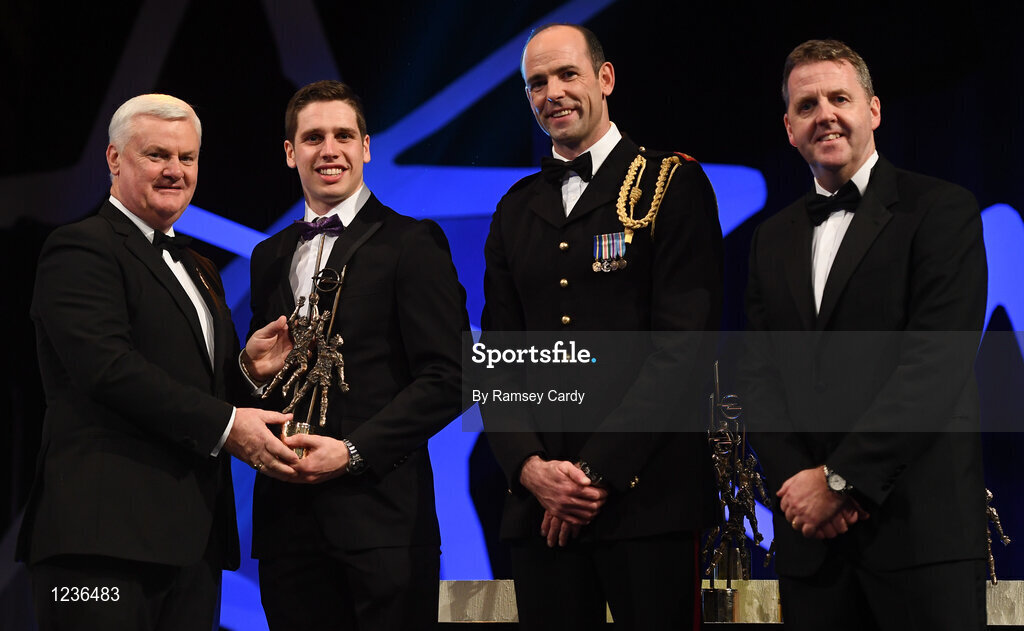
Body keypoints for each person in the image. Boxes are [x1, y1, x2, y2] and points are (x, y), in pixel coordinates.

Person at [17, 93, 299, 631]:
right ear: (114, 159)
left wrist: (246, 372)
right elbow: (107, 368)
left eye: (187, 158)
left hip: (193, 544)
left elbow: (195, 385)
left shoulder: (200, 268)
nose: (175, 170)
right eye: (156, 155)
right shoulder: (80, 247)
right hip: (101, 544)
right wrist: (229, 424)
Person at [481, 23, 722, 629]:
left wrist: (590, 476)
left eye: (567, 74)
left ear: (605, 78)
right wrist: (531, 470)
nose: (552, 93)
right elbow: (498, 357)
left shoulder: (671, 183)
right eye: (537, 83)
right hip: (541, 512)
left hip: (648, 501)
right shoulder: (515, 207)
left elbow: (682, 350)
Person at [743, 40, 987, 630]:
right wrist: (799, 490)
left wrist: (839, 482)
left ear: (873, 110)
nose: (824, 113)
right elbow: (758, 376)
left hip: (920, 539)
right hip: (813, 550)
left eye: (839, 98)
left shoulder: (941, 210)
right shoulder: (769, 239)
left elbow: (936, 364)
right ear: (789, 128)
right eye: (807, 105)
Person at [247, 80, 468, 630]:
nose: (330, 149)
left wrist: (351, 451)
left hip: (383, 527)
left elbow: (453, 377)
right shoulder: (268, 256)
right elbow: (260, 387)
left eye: (344, 135)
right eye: (313, 137)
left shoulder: (412, 243)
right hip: (287, 531)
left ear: (366, 147)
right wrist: (250, 373)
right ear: (289, 151)